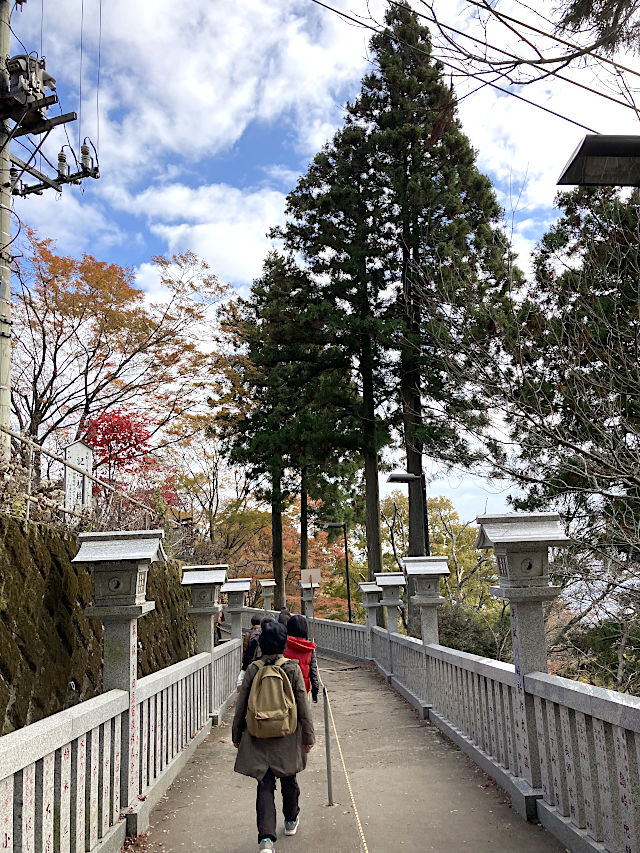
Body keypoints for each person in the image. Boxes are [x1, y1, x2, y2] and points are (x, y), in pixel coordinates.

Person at [233, 621, 315, 853]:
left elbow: (242, 705)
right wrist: (308, 737)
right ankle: (290, 821)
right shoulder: (291, 668)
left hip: (258, 734)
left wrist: (237, 733)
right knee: (289, 779)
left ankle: (266, 839)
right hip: (287, 734)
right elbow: (302, 705)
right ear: (282, 643)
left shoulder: (253, 669)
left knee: (264, 785)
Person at [284, 614, 319, 703]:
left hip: (285, 686)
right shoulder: (309, 648)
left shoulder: (284, 644)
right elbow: (313, 671)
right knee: (303, 714)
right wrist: (315, 691)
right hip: (303, 687)